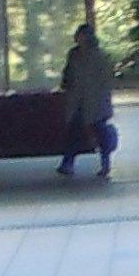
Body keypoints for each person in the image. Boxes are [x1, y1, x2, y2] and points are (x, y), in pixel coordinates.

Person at [56, 18, 116, 181]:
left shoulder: (99, 56)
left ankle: (104, 164)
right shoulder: (75, 55)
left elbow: (106, 80)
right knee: (74, 132)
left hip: (95, 101)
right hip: (80, 101)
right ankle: (68, 163)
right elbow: (68, 75)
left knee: (99, 133)